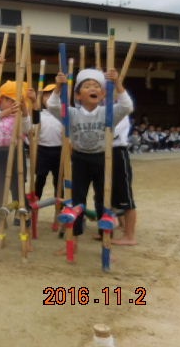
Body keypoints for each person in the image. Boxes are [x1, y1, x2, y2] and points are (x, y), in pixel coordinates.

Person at [47, 68, 133, 243]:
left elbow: (127, 106)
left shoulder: (108, 112)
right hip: (79, 159)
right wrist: (58, 86)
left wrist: (117, 83)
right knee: (77, 200)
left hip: (102, 159)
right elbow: (52, 105)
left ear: (102, 95)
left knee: (103, 198)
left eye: (96, 86)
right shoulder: (72, 113)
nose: (93, 88)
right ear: (78, 95)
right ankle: (73, 241)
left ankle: (105, 238)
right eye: (87, 86)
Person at [0, 81, 32, 232]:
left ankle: (23, 223)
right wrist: (2, 115)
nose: (11, 103)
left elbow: (27, 129)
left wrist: (25, 113)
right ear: (1, 98)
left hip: (14, 152)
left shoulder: (19, 114)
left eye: (14, 101)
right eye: (8, 99)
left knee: (18, 188)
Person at [30, 84, 63, 201]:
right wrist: (34, 101)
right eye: (46, 96)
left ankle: (60, 208)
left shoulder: (63, 115)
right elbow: (34, 124)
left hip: (60, 150)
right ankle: (34, 206)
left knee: (59, 181)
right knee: (40, 178)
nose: (49, 99)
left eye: (52, 96)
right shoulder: (40, 114)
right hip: (42, 150)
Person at [111, 115, 137, 246]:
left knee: (125, 195)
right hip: (104, 152)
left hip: (118, 153)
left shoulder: (121, 114)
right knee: (110, 192)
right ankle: (120, 225)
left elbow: (111, 133)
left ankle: (129, 235)